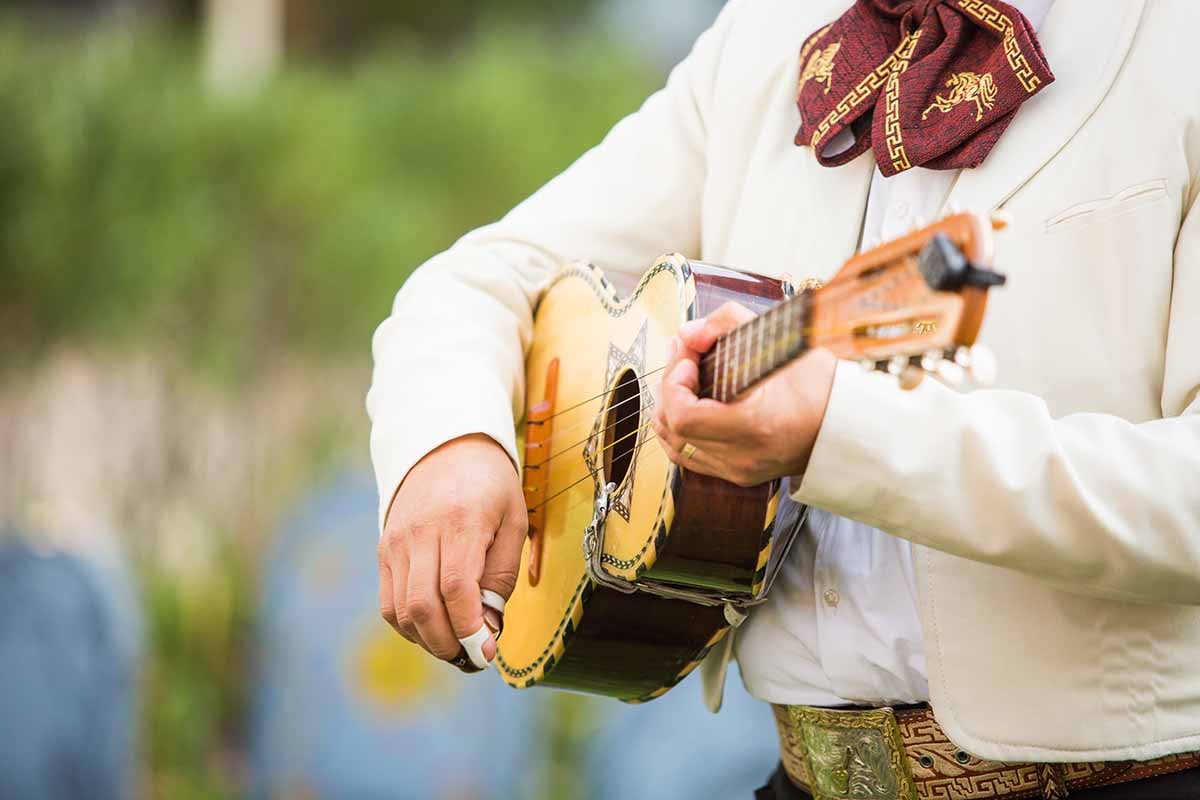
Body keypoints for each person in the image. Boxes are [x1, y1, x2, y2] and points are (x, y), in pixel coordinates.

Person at [368, 1, 1200, 797]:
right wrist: (449, 444)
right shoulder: (767, 29)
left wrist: (842, 433)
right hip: (800, 778)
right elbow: (477, 279)